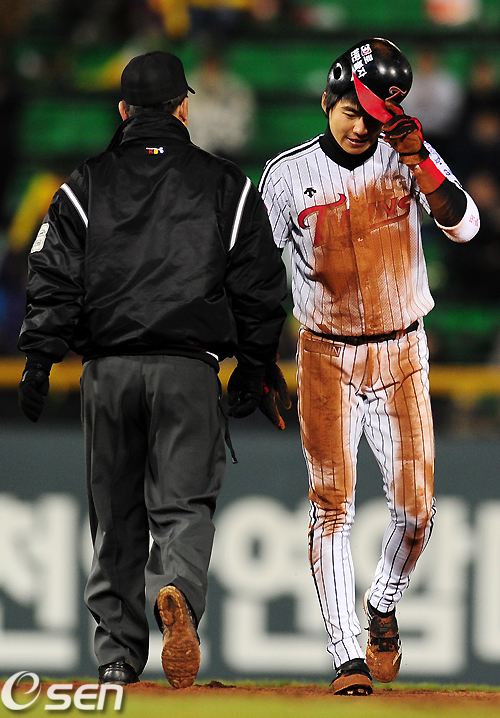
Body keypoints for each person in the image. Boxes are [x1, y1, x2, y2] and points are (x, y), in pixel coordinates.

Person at [17, 50, 288, 688]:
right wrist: (253, 366)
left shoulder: (84, 183)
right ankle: (177, 592)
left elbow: (52, 274)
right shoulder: (226, 184)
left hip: (108, 370)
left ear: (123, 110)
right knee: (184, 506)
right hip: (189, 370)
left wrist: (39, 358)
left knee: (115, 514)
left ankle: (117, 654)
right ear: (184, 107)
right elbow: (260, 285)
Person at [259, 38, 480, 695]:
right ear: (328, 101)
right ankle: (346, 656)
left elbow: (466, 226)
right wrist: (256, 355)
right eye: (351, 111)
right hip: (324, 353)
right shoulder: (286, 175)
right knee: (332, 507)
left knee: (417, 513)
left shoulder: (408, 154)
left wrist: (421, 162)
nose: (361, 125)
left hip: (402, 350)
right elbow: (255, 273)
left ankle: (383, 601)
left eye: (373, 115)